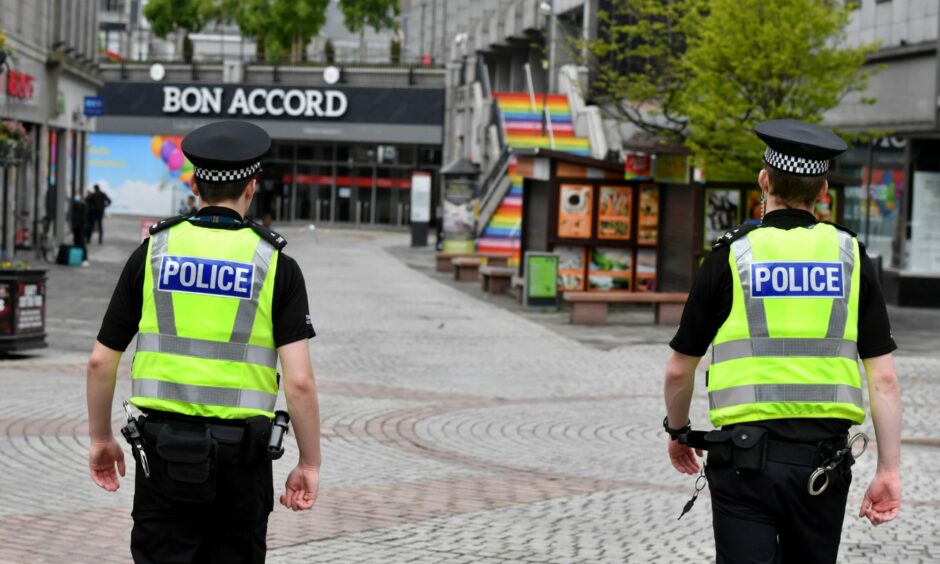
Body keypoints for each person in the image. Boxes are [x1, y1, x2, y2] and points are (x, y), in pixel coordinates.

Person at [663, 120, 902, 563]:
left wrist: (678, 430)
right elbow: (883, 379)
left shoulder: (730, 256)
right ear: (823, 189)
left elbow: (680, 369)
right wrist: (888, 469)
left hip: (742, 465)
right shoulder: (851, 258)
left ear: (764, 181)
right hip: (821, 468)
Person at [86, 120, 321, 563]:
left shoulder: (153, 253)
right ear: (253, 186)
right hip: (243, 465)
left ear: (195, 184)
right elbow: (301, 383)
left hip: (162, 458)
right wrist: (309, 464)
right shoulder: (275, 265)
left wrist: (101, 438)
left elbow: (101, 361)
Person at [70, 194, 90, 266]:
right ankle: (77, 258)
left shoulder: (84, 205)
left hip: (81, 227)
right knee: (76, 242)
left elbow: (83, 218)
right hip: (76, 227)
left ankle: (85, 259)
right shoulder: (75, 205)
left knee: (81, 242)